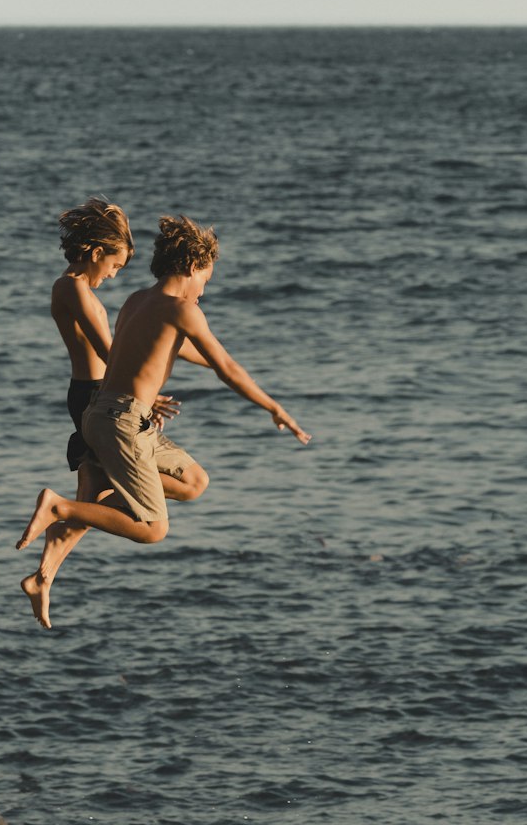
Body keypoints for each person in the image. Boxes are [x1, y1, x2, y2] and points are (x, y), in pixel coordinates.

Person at [17, 214, 309, 564]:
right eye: (205, 281)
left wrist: (214, 361)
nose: (203, 291)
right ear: (191, 267)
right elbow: (227, 369)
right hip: (121, 418)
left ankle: (73, 515)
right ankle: (61, 508)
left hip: (111, 414)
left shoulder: (137, 300)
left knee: (194, 482)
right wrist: (274, 408)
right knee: (154, 528)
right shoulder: (182, 310)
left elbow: (171, 350)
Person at [20, 198, 206, 628]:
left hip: (102, 393)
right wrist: (130, 387)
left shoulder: (81, 287)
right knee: (90, 501)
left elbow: (128, 342)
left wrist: (206, 357)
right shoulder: (69, 287)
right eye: (115, 266)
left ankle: (44, 577)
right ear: (96, 252)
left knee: (93, 499)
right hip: (95, 395)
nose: (114, 275)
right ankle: (47, 560)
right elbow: (109, 348)